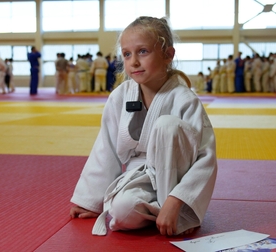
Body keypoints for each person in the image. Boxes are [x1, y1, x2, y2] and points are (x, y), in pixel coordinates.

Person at [70, 16, 218, 237]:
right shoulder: (120, 96)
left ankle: (176, 209)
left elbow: (206, 157)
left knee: (166, 126)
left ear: (168, 55)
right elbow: (106, 147)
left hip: (177, 178)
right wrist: (90, 200)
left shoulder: (184, 99)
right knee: (121, 212)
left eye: (143, 51)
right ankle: (158, 212)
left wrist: (178, 199)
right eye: (127, 54)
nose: (133, 62)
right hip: (141, 176)